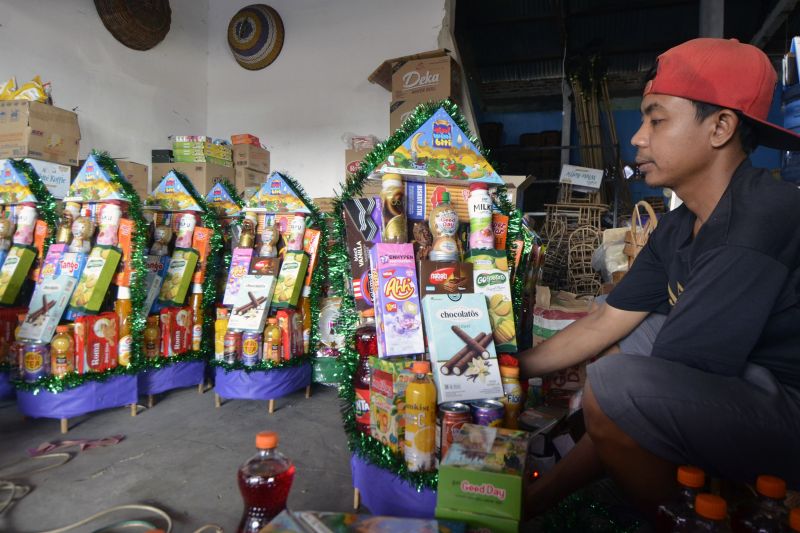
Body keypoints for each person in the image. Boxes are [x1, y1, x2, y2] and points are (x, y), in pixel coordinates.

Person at [519, 37, 800, 519]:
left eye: (656, 119)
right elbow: (607, 320)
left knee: (617, 381)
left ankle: (681, 521)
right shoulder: (678, 224)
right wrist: (509, 369)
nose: (638, 137)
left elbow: (634, 400)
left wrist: (545, 494)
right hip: (747, 388)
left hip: (789, 412)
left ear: (720, 127)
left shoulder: (755, 222)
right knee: (636, 334)